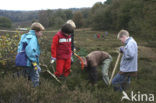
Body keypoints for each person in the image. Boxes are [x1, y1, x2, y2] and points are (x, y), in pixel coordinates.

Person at [16, 22, 45, 87]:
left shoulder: (24, 36)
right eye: (41, 32)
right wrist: (34, 63)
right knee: (35, 77)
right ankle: (35, 91)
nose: (42, 34)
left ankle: (25, 88)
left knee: (27, 75)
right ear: (36, 31)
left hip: (23, 61)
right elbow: (30, 51)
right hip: (29, 62)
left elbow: (19, 48)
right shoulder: (33, 38)